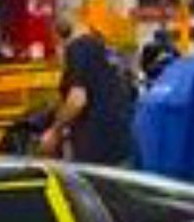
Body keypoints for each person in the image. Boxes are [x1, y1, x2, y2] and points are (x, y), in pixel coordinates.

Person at [41, 16, 134, 165]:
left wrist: (54, 131)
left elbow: (77, 100)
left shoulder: (78, 48)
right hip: (119, 140)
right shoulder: (102, 47)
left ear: (58, 36)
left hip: (97, 145)